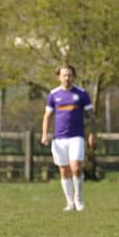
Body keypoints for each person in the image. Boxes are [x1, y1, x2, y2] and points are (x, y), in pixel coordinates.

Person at [41, 65, 96, 212]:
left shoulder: (82, 94)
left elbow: (91, 116)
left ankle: (79, 200)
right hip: (59, 138)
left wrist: (92, 133)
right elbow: (47, 116)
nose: (67, 78)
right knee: (64, 170)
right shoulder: (53, 94)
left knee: (76, 168)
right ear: (59, 77)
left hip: (76, 137)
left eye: (70, 75)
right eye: (64, 75)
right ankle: (70, 203)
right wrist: (45, 134)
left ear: (74, 77)